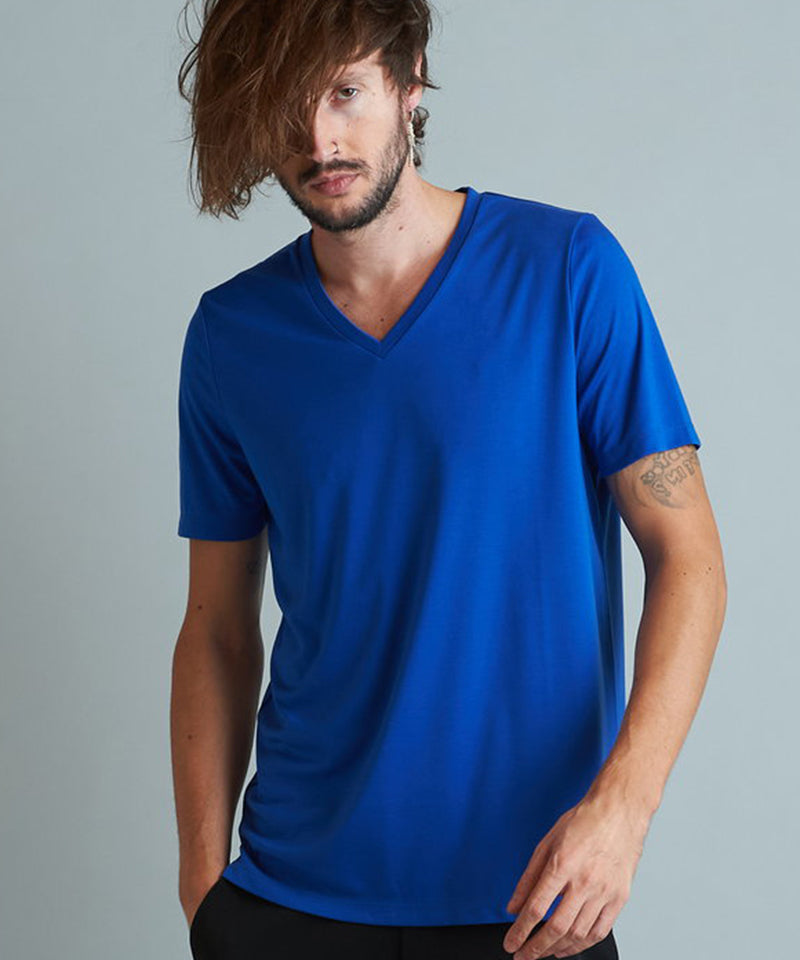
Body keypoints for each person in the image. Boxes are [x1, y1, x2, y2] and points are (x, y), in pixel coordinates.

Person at [170, 1, 727, 958]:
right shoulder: (232, 336)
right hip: (288, 897)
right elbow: (217, 629)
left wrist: (623, 811)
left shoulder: (568, 270)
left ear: (409, 77)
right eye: (285, 108)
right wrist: (202, 888)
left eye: (345, 93)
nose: (319, 139)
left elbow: (692, 560)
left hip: (533, 897)